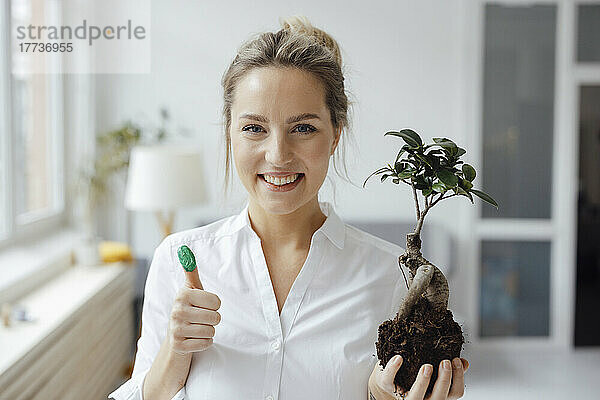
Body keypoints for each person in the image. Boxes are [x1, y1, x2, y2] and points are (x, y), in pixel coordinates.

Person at [109, 16, 469, 400]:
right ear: (230, 133)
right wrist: (173, 355)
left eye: (303, 128)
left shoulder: (391, 277)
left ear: (335, 135)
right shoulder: (179, 263)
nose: (278, 155)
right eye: (254, 128)